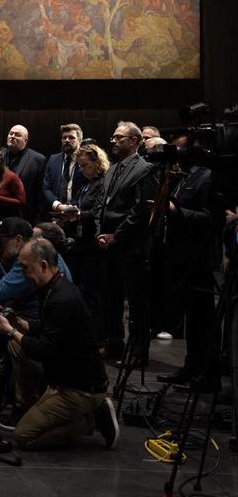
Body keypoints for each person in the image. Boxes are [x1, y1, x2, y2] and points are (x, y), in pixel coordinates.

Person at [0, 239, 119, 450]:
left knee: (23, 436)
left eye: (26, 268)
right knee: (15, 346)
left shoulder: (62, 299)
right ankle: (32, 406)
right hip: (66, 373)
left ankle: (90, 420)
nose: (23, 273)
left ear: (44, 265)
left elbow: (44, 350)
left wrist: (10, 331)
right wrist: (22, 324)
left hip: (80, 388)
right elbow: (51, 329)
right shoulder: (54, 288)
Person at [154, 135, 217, 385]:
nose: (174, 151)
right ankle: (191, 367)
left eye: (178, 146)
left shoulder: (207, 176)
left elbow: (210, 218)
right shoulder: (184, 174)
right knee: (192, 317)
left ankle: (208, 373)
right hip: (180, 257)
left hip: (199, 258)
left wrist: (174, 210)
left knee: (204, 318)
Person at [96, 121, 157, 362]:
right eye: (112, 137)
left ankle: (139, 352)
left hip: (129, 246)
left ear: (134, 141)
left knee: (136, 302)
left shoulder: (145, 169)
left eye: (119, 137)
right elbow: (103, 202)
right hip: (107, 243)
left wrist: (116, 236)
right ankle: (114, 344)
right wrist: (101, 233)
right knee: (110, 299)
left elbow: (140, 211)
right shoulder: (111, 169)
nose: (113, 141)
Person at [0, 216, 72, 317]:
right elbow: (9, 287)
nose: (1, 246)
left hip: (34, 319)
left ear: (18, 240)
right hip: (37, 315)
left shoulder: (30, 259)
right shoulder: (41, 253)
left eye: (3, 242)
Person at [58, 143, 110, 354]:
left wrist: (78, 215)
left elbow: (97, 212)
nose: (81, 169)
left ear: (97, 164)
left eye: (85, 165)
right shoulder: (86, 184)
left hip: (91, 245)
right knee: (80, 291)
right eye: (79, 166)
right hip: (79, 244)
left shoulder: (101, 183)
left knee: (92, 293)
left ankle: (99, 338)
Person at [1, 124, 47, 221]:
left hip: (25, 214)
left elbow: (41, 192)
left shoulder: (38, 159)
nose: (12, 136)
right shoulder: (0, 155)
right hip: (1, 211)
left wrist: (39, 219)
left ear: (25, 140)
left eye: (17, 135)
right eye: (11, 133)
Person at [42, 123, 87, 217]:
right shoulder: (53, 159)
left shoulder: (86, 160)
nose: (67, 140)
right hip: (56, 213)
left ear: (80, 140)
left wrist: (72, 207)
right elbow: (46, 188)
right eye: (64, 138)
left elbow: (88, 186)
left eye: (71, 137)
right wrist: (58, 205)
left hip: (79, 213)